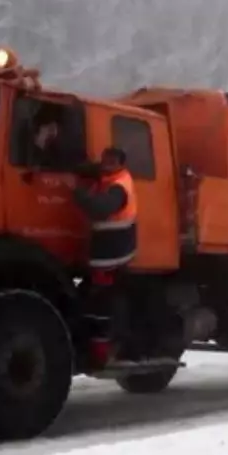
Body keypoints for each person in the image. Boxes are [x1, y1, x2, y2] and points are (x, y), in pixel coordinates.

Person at [73, 147, 138, 363]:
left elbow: (100, 208)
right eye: (104, 160)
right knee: (102, 300)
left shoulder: (119, 186)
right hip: (107, 251)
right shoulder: (108, 177)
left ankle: (105, 351)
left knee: (104, 303)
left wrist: (78, 192)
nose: (106, 164)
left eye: (111, 161)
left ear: (121, 163)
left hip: (114, 253)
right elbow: (89, 168)